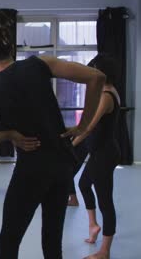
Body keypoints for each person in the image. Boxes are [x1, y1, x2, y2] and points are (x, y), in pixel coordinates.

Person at [0, 12, 105, 258]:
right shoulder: (39, 64)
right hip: (62, 165)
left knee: (9, 241)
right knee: (52, 243)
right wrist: (84, 127)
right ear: (11, 49)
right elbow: (96, 77)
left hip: (31, 172)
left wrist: (8, 134)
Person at [72, 54, 121, 259]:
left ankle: (105, 252)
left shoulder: (107, 96)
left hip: (105, 154)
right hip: (100, 152)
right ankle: (93, 226)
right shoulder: (105, 91)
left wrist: (70, 144)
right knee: (83, 184)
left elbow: (88, 128)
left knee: (105, 201)